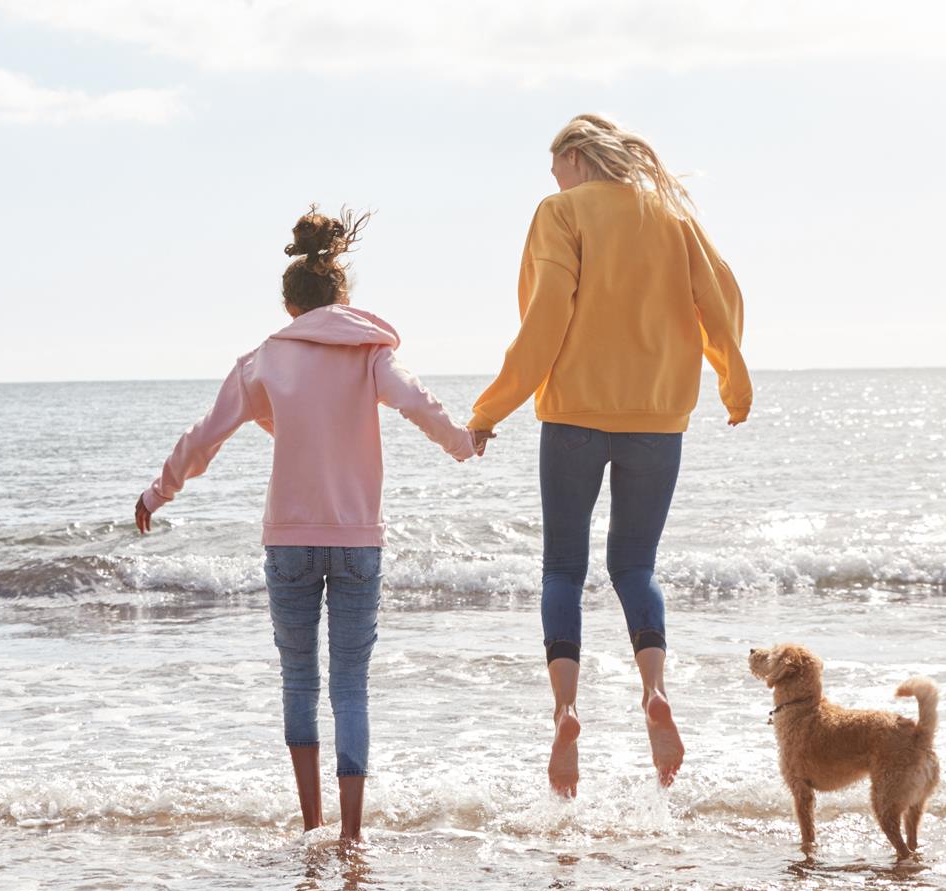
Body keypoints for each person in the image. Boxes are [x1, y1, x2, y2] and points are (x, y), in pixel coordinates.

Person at [134, 207, 479, 842]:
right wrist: (463, 442)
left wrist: (159, 492)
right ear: (341, 298)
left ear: (291, 306)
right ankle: (351, 836)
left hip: (288, 542)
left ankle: (311, 826)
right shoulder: (371, 352)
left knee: (299, 680)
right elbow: (415, 402)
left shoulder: (265, 358)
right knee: (350, 687)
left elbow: (204, 437)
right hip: (356, 543)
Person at [469, 114, 753, 799]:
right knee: (635, 565)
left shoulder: (560, 212)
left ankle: (566, 712)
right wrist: (732, 382)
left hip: (573, 414)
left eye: (555, 163)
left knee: (563, 569)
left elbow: (546, 318)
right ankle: (653, 690)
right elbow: (722, 300)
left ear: (575, 157)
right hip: (659, 418)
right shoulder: (670, 217)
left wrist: (490, 410)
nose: (552, 177)